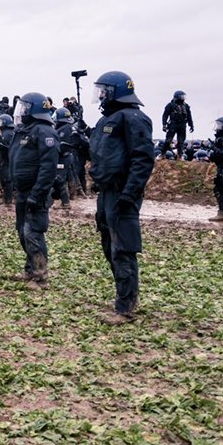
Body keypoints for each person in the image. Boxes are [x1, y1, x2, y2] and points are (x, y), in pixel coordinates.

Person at [89, 71, 156, 325]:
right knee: (109, 245)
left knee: (122, 248)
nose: (101, 96)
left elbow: (142, 159)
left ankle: (125, 307)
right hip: (106, 191)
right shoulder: (109, 119)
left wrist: (130, 192)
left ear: (115, 91)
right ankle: (123, 296)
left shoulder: (134, 118)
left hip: (122, 192)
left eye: (103, 90)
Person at [8, 94, 59, 285]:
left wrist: (38, 194)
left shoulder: (45, 132)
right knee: (23, 232)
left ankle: (40, 276)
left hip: (35, 192)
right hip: (22, 191)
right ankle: (30, 270)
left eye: (24, 107)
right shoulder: (23, 131)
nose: (21, 111)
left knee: (33, 232)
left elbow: (48, 168)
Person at [161, 90, 194, 159]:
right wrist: (164, 125)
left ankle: (180, 156)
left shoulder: (186, 106)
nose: (183, 98)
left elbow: (189, 116)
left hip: (182, 125)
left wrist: (191, 125)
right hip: (173, 124)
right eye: (182, 96)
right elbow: (165, 115)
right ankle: (162, 154)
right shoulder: (170, 105)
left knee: (181, 141)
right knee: (168, 141)